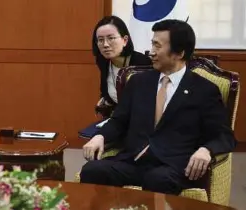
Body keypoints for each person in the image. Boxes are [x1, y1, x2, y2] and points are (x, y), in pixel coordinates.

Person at [80, 19, 236, 195]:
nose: (151, 52)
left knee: (157, 179)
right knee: (92, 170)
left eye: (157, 46)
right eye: (151, 44)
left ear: (179, 53)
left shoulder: (204, 90)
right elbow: (119, 120)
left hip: (173, 166)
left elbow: (224, 135)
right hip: (134, 161)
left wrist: (206, 150)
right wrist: (100, 136)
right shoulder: (139, 82)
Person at [92, 16, 152, 115]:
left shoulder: (142, 63)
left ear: (125, 40)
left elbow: (148, 102)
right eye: (100, 40)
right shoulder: (103, 61)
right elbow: (106, 92)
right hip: (117, 118)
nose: (105, 44)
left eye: (111, 38)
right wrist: (105, 101)